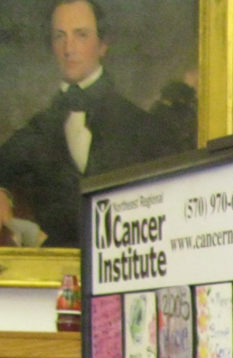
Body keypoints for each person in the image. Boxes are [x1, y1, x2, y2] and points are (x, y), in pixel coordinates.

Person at [0, 2, 167, 247]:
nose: (69, 48)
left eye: (81, 35)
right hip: (54, 272)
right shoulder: (37, 129)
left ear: (102, 45)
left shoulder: (144, 128)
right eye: (60, 36)